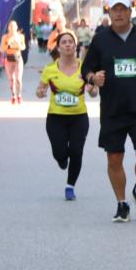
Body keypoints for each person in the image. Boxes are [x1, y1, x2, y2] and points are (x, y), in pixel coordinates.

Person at [81, 0, 136, 222]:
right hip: (113, 110)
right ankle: (121, 204)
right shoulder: (101, 39)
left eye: (123, 9)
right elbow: (86, 68)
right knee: (114, 159)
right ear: (109, 12)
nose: (118, 13)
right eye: (114, 9)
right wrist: (92, 78)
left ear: (130, 12)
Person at [36, 30, 97, 201]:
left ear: (75, 45)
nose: (68, 44)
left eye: (71, 41)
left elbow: (93, 92)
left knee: (77, 151)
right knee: (59, 153)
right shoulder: (50, 69)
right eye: (64, 42)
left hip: (79, 116)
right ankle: (61, 160)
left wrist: (93, 89)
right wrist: (40, 92)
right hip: (56, 117)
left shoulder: (84, 67)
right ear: (59, 47)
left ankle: (70, 186)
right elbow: (40, 89)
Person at [0, 21, 26, 104]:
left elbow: (23, 47)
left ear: (16, 27)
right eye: (10, 26)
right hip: (9, 59)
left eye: (14, 26)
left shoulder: (20, 36)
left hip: (18, 59)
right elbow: (2, 49)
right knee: (12, 79)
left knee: (18, 79)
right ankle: (13, 96)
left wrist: (18, 45)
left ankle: (19, 95)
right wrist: (8, 45)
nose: (12, 28)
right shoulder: (5, 37)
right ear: (8, 28)